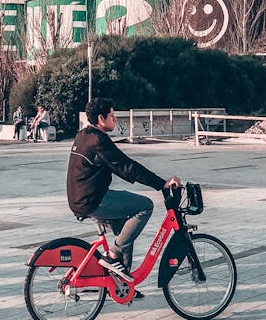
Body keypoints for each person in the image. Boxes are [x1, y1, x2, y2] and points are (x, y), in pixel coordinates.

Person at [67, 97, 181, 287]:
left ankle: (123, 283)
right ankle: (112, 255)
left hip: (81, 198)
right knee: (145, 206)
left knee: (127, 230)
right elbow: (127, 166)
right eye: (112, 116)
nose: (116, 119)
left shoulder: (83, 135)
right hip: (93, 200)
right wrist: (162, 184)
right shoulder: (98, 140)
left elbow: (120, 166)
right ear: (101, 118)